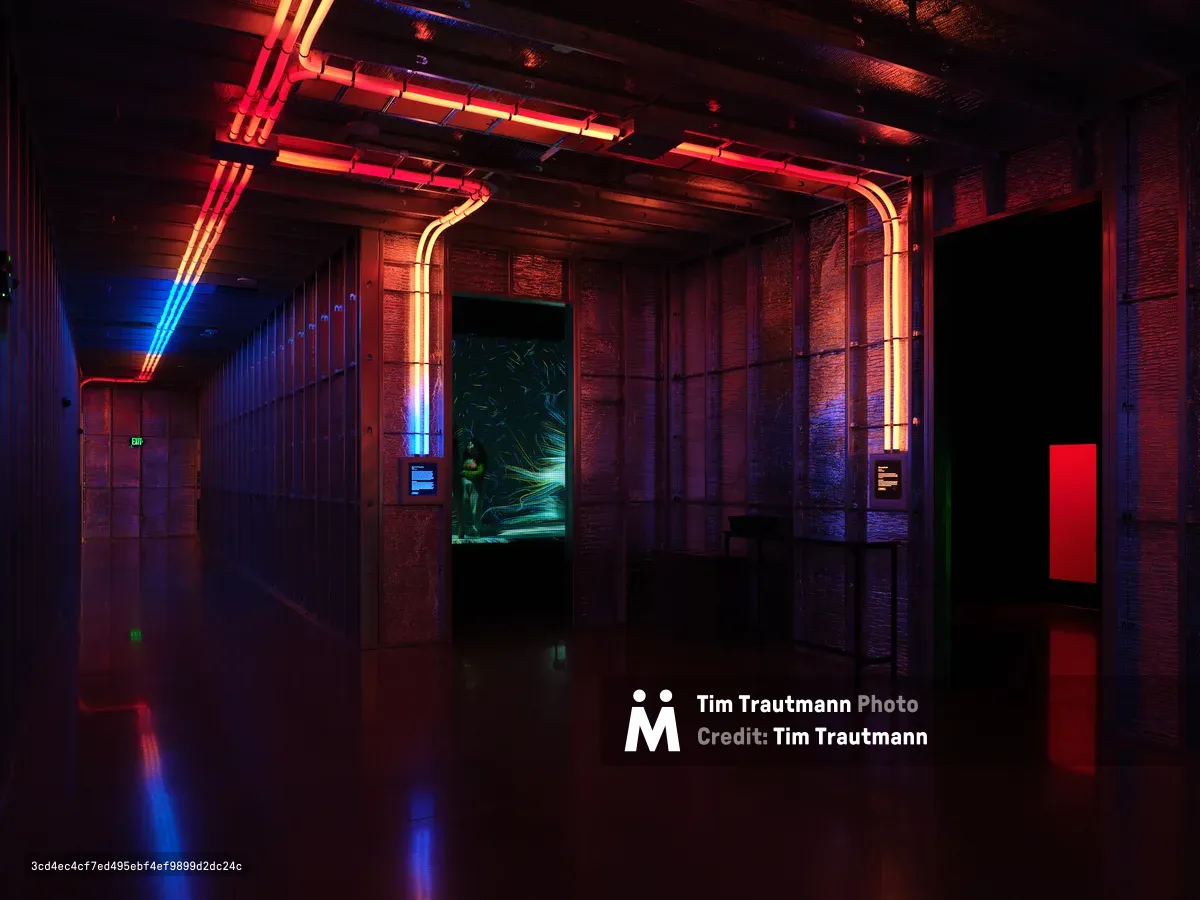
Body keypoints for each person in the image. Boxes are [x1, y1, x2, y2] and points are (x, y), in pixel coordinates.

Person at [459, 437, 487, 537]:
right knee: (465, 507)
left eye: (472, 445)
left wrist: (466, 472)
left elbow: (479, 472)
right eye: (469, 445)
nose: (470, 447)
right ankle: (466, 530)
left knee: (475, 509)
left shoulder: (480, 459)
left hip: (477, 486)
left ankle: (477, 529)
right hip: (465, 486)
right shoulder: (464, 458)